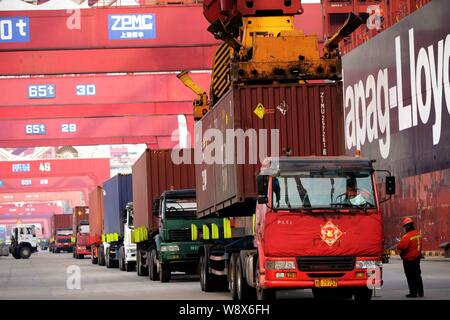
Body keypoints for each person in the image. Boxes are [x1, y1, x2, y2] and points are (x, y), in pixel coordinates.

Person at [397, 217, 424, 298]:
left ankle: (413, 293)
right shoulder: (418, 234)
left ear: (407, 226)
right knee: (417, 275)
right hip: (417, 259)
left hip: (409, 260)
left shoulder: (407, 236)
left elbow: (401, 246)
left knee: (410, 277)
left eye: (405, 226)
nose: (404, 228)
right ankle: (420, 292)